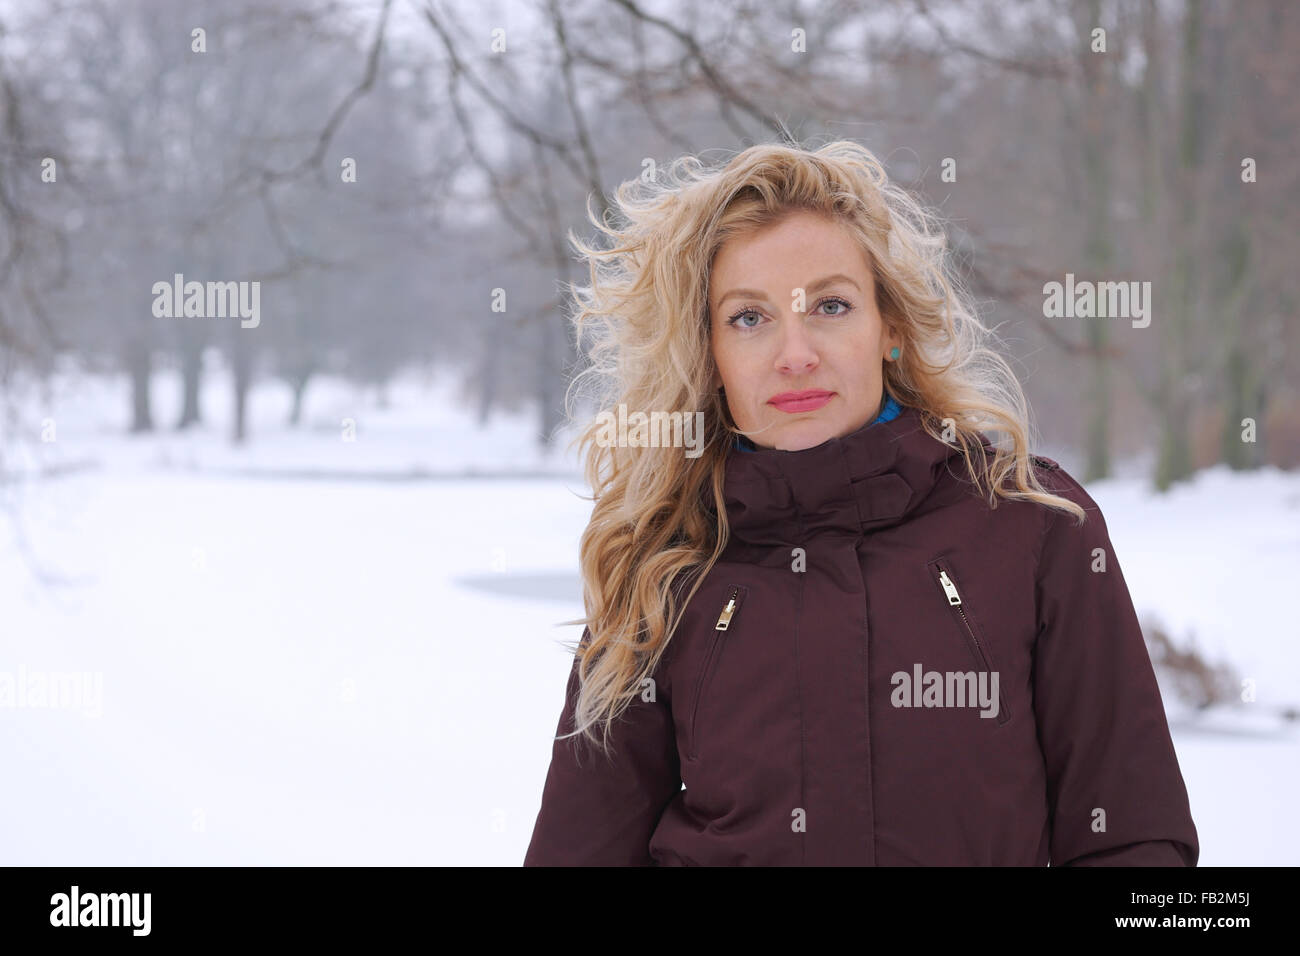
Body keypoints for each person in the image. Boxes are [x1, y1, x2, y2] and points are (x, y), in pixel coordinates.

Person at [522, 139, 1199, 866]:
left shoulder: (1034, 524)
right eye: (749, 318)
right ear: (708, 354)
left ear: (892, 329)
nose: (796, 354)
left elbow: (1131, 836)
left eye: (831, 306)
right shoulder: (665, 562)